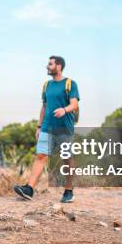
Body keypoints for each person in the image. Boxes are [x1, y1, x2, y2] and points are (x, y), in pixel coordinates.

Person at [14, 56, 80, 203]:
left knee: (67, 159)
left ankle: (69, 191)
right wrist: (39, 126)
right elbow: (44, 107)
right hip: (47, 127)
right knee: (41, 156)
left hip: (64, 128)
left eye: (50, 64)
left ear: (59, 66)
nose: (47, 66)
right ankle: (29, 189)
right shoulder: (46, 85)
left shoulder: (70, 84)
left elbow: (74, 104)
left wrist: (64, 109)